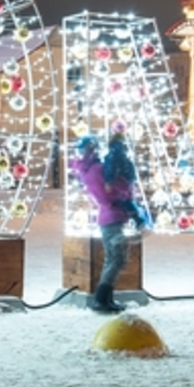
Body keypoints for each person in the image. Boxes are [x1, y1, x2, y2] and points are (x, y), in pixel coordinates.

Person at [69, 134, 140, 313]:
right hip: (112, 217)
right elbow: (112, 190)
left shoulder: (88, 169)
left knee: (113, 259)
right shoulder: (98, 169)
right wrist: (125, 194)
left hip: (108, 217)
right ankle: (101, 299)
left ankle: (106, 299)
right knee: (116, 259)